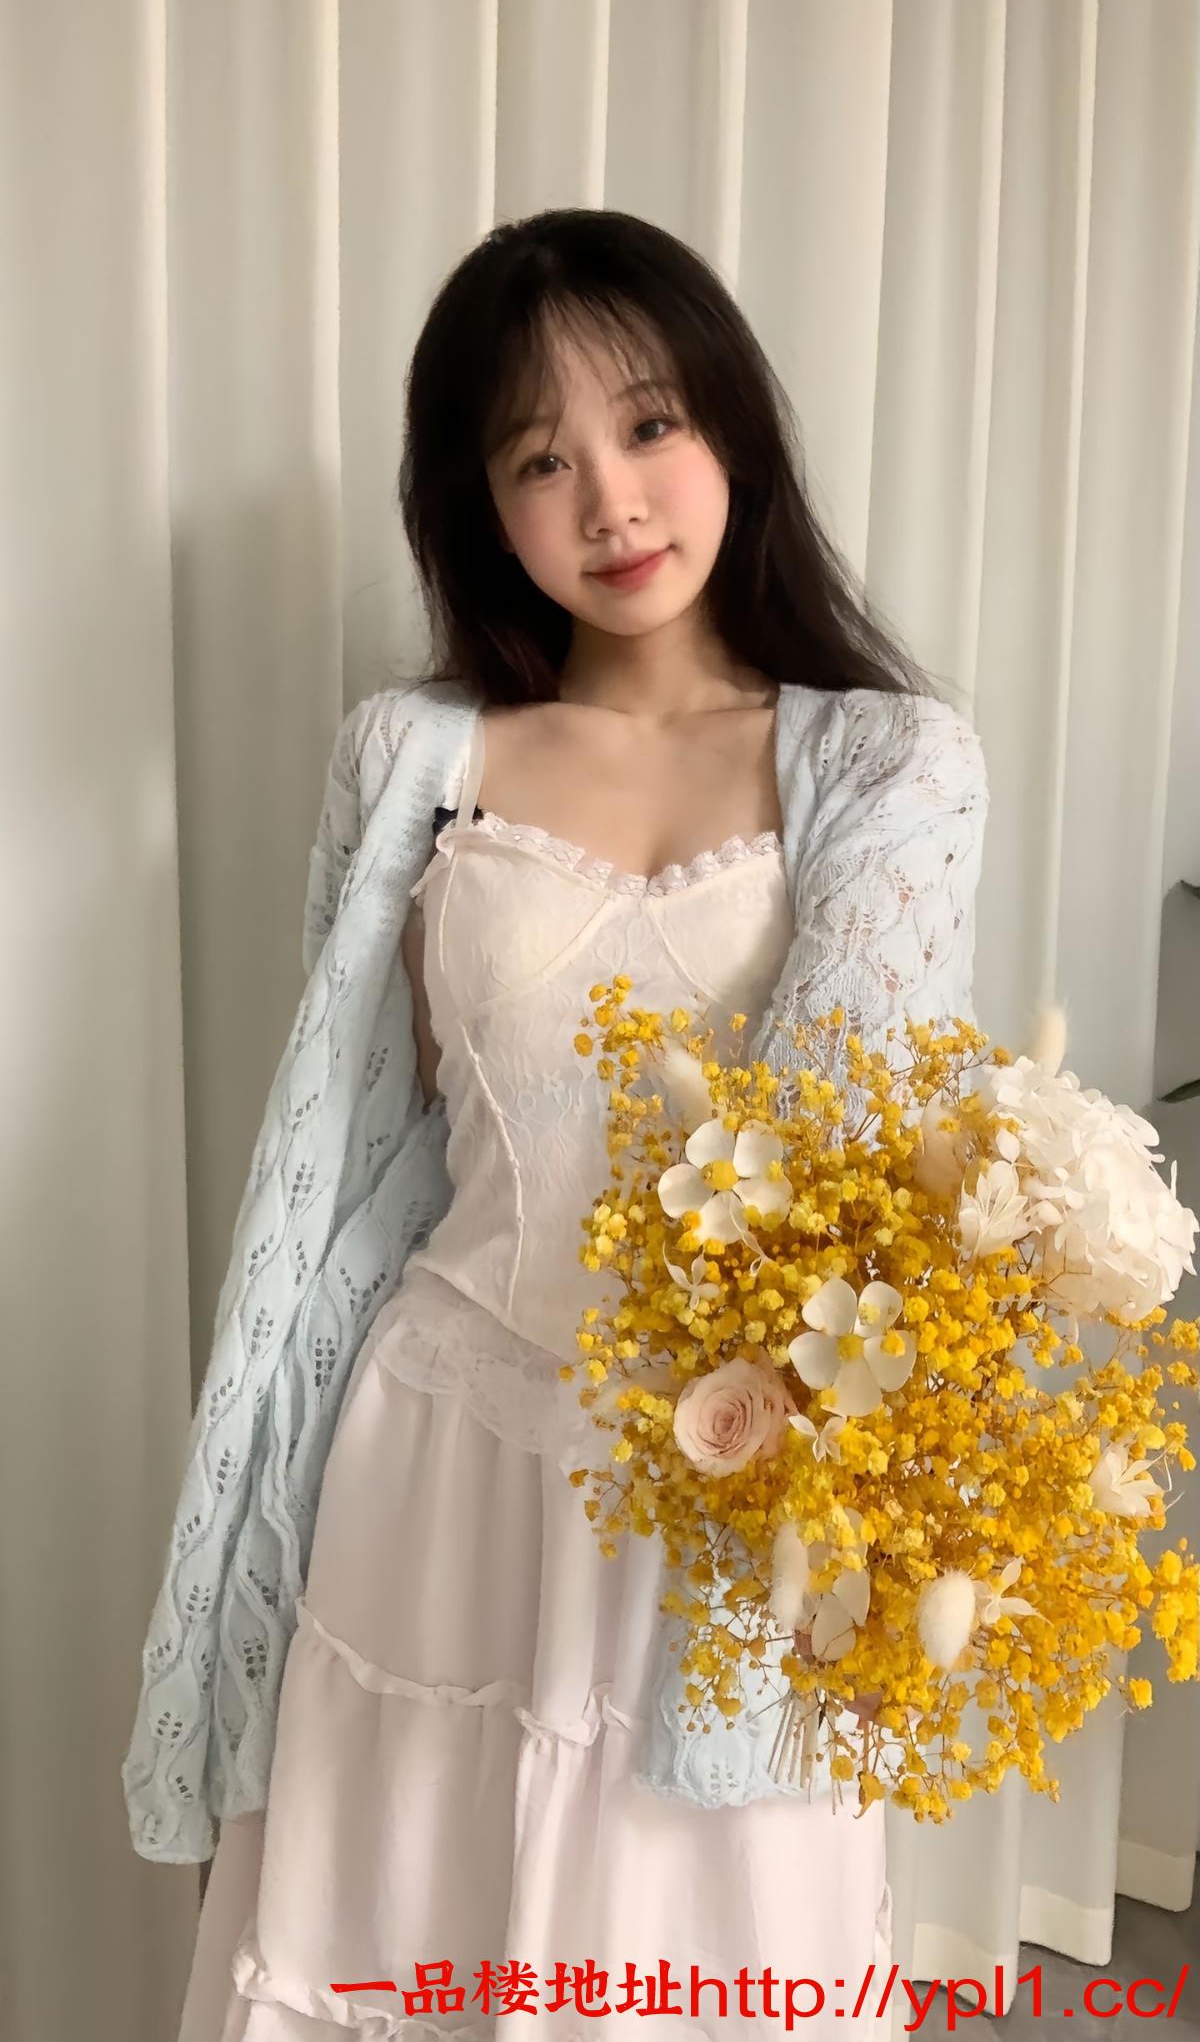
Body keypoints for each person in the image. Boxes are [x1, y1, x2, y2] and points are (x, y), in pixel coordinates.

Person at [156, 207, 989, 2040]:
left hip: (721, 1484)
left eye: (650, 424)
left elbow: (847, 1161)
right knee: (401, 1951)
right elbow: (372, 1135)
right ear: (482, 505)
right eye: (540, 458)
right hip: (437, 1455)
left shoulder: (887, 762)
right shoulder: (411, 757)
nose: (609, 499)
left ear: (733, 429)